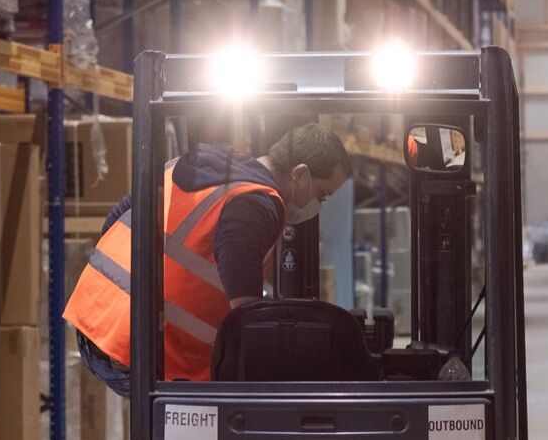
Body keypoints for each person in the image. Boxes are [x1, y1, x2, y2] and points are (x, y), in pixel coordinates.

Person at [64, 123, 352, 390]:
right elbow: (244, 307)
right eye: (321, 195)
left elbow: (118, 216)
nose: (318, 205)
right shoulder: (259, 201)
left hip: (96, 321)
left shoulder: (196, 166)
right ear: (299, 174)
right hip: (133, 350)